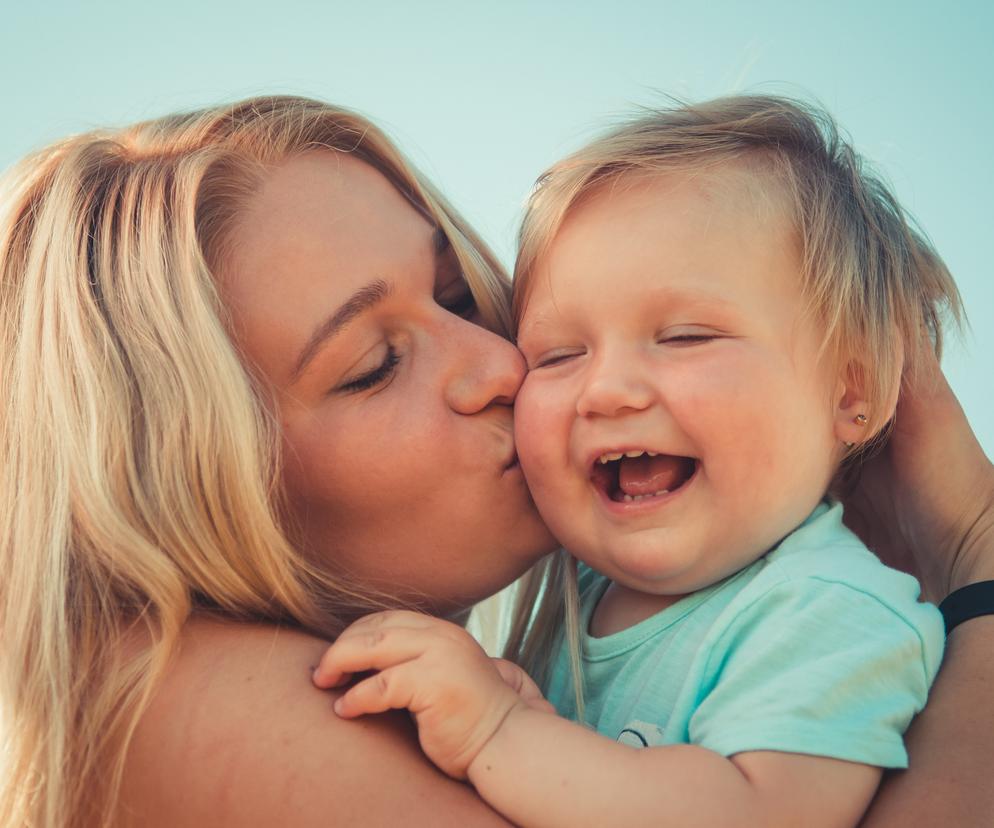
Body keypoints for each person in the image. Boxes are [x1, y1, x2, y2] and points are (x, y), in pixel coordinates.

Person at [0, 95, 991, 828]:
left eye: (462, 299)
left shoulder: (782, 610)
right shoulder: (174, 697)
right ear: (190, 491)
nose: (500, 365)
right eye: (375, 365)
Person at [312, 97, 986, 828]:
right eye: (559, 355)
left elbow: (758, 815)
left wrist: (500, 730)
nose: (605, 390)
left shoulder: (833, 608)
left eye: (686, 337)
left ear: (852, 389)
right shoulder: (572, 590)